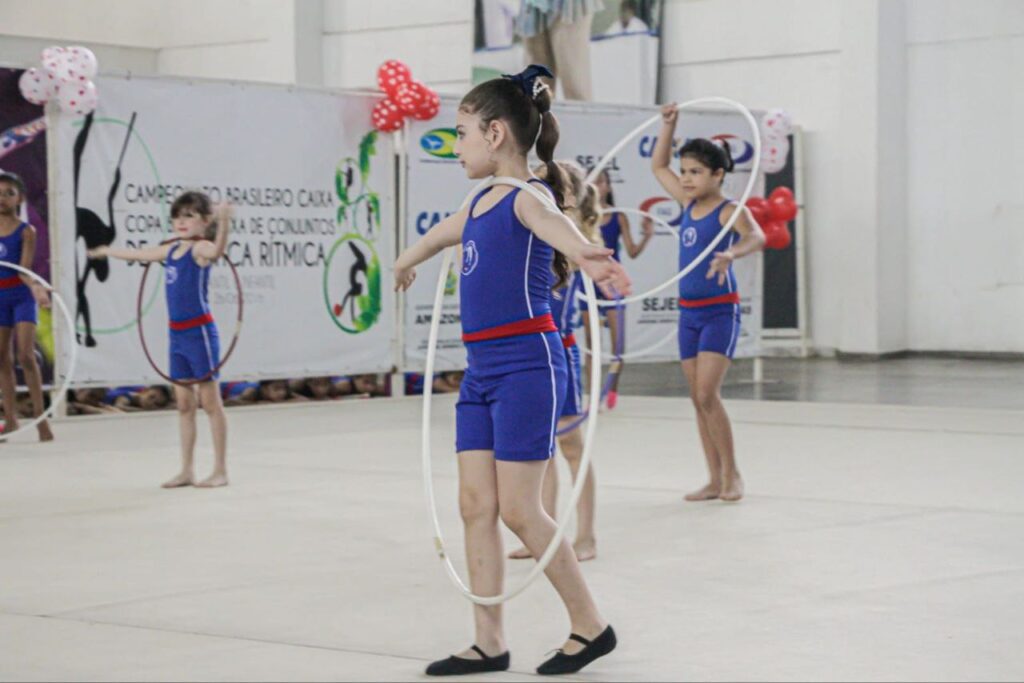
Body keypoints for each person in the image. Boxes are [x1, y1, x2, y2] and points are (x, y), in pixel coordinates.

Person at [394, 65, 630, 676]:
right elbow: (441, 236)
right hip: (481, 373)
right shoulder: (478, 203)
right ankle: (489, 642)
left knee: (522, 510)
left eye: (463, 133)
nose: (457, 145)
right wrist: (406, 259)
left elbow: (560, 232)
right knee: (476, 504)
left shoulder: (530, 198)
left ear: (496, 133)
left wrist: (588, 254)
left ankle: (590, 626)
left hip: (529, 364)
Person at [651, 103, 766, 503]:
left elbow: (757, 238)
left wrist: (732, 255)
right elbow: (658, 166)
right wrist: (670, 125)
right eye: (685, 172)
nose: (685, 178)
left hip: (720, 312)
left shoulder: (728, 210)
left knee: (706, 394)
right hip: (689, 314)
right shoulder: (687, 205)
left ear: (719, 175)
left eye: (696, 172)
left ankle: (732, 474)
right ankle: (713, 478)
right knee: (697, 399)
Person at [90, 192, 232, 489]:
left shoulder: (200, 249)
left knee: (210, 402)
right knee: (183, 404)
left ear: (205, 222)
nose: (182, 221)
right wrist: (107, 251)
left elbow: (218, 252)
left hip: (199, 333)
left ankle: (220, 469)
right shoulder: (170, 251)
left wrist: (225, 221)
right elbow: (139, 254)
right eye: (178, 216)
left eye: (190, 216)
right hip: (176, 334)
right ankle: (187, 469)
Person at [509, 159, 600, 563]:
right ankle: (542, 533)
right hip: (533, 353)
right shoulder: (532, 233)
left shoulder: (571, 238)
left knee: (572, 446)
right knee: (540, 450)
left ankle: (586, 535)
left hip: (560, 349)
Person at [580, 167, 654, 409]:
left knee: (617, 345)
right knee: (592, 344)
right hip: (589, 283)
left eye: (601, 181)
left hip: (612, 284)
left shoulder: (619, 217)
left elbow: (632, 251)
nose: (597, 186)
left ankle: (611, 388)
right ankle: (593, 395)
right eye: (592, 182)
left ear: (608, 187)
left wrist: (647, 236)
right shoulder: (582, 219)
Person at [0, 172, 53, 441]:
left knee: (25, 355)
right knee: (1, 357)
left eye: (9, 193)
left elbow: (23, 270)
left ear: (18, 197)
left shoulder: (26, 231)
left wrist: (37, 289)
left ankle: (41, 419)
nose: (3, 199)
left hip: (20, 296)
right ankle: (10, 419)